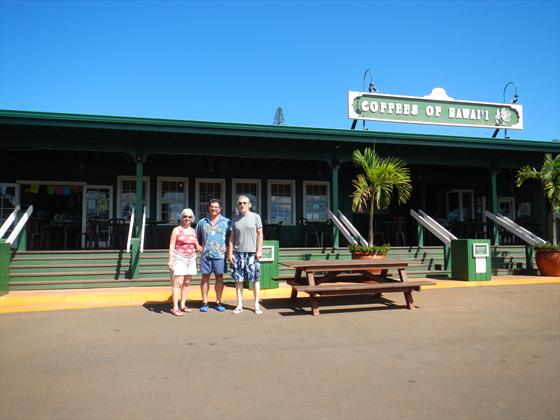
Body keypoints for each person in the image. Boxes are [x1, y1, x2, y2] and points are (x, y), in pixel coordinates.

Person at [227, 195, 263, 315]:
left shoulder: (256, 217)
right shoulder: (235, 219)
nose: (242, 205)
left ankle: (256, 304)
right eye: (240, 203)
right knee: (238, 280)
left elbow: (260, 234)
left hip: (252, 253)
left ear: (249, 205)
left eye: (244, 203)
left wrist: (259, 250)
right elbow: (231, 238)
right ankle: (239, 305)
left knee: (255, 279)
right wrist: (230, 253)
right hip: (238, 254)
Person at [195, 199, 231, 312]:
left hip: (220, 255)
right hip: (206, 254)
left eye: (216, 207)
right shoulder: (202, 222)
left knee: (219, 277)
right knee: (205, 277)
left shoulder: (227, 222)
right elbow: (195, 236)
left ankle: (218, 301)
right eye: (212, 207)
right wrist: (198, 246)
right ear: (208, 208)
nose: (214, 208)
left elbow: (231, 238)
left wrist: (229, 250)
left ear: (220, 209)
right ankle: (204, 302)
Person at [168, 208, 203, 317]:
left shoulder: (193, 231)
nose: (187, 218)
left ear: (192, 218)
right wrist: (170, 260)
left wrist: (199, 247)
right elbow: (172, 245)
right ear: (181, 218)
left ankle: (183, 304)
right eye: (185, 216)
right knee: (177, 282)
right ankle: (175, 307)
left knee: (187, 283)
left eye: (189, 217)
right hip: (179, 258)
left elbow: (195, 243)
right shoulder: (177, 230)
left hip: (191, 258)